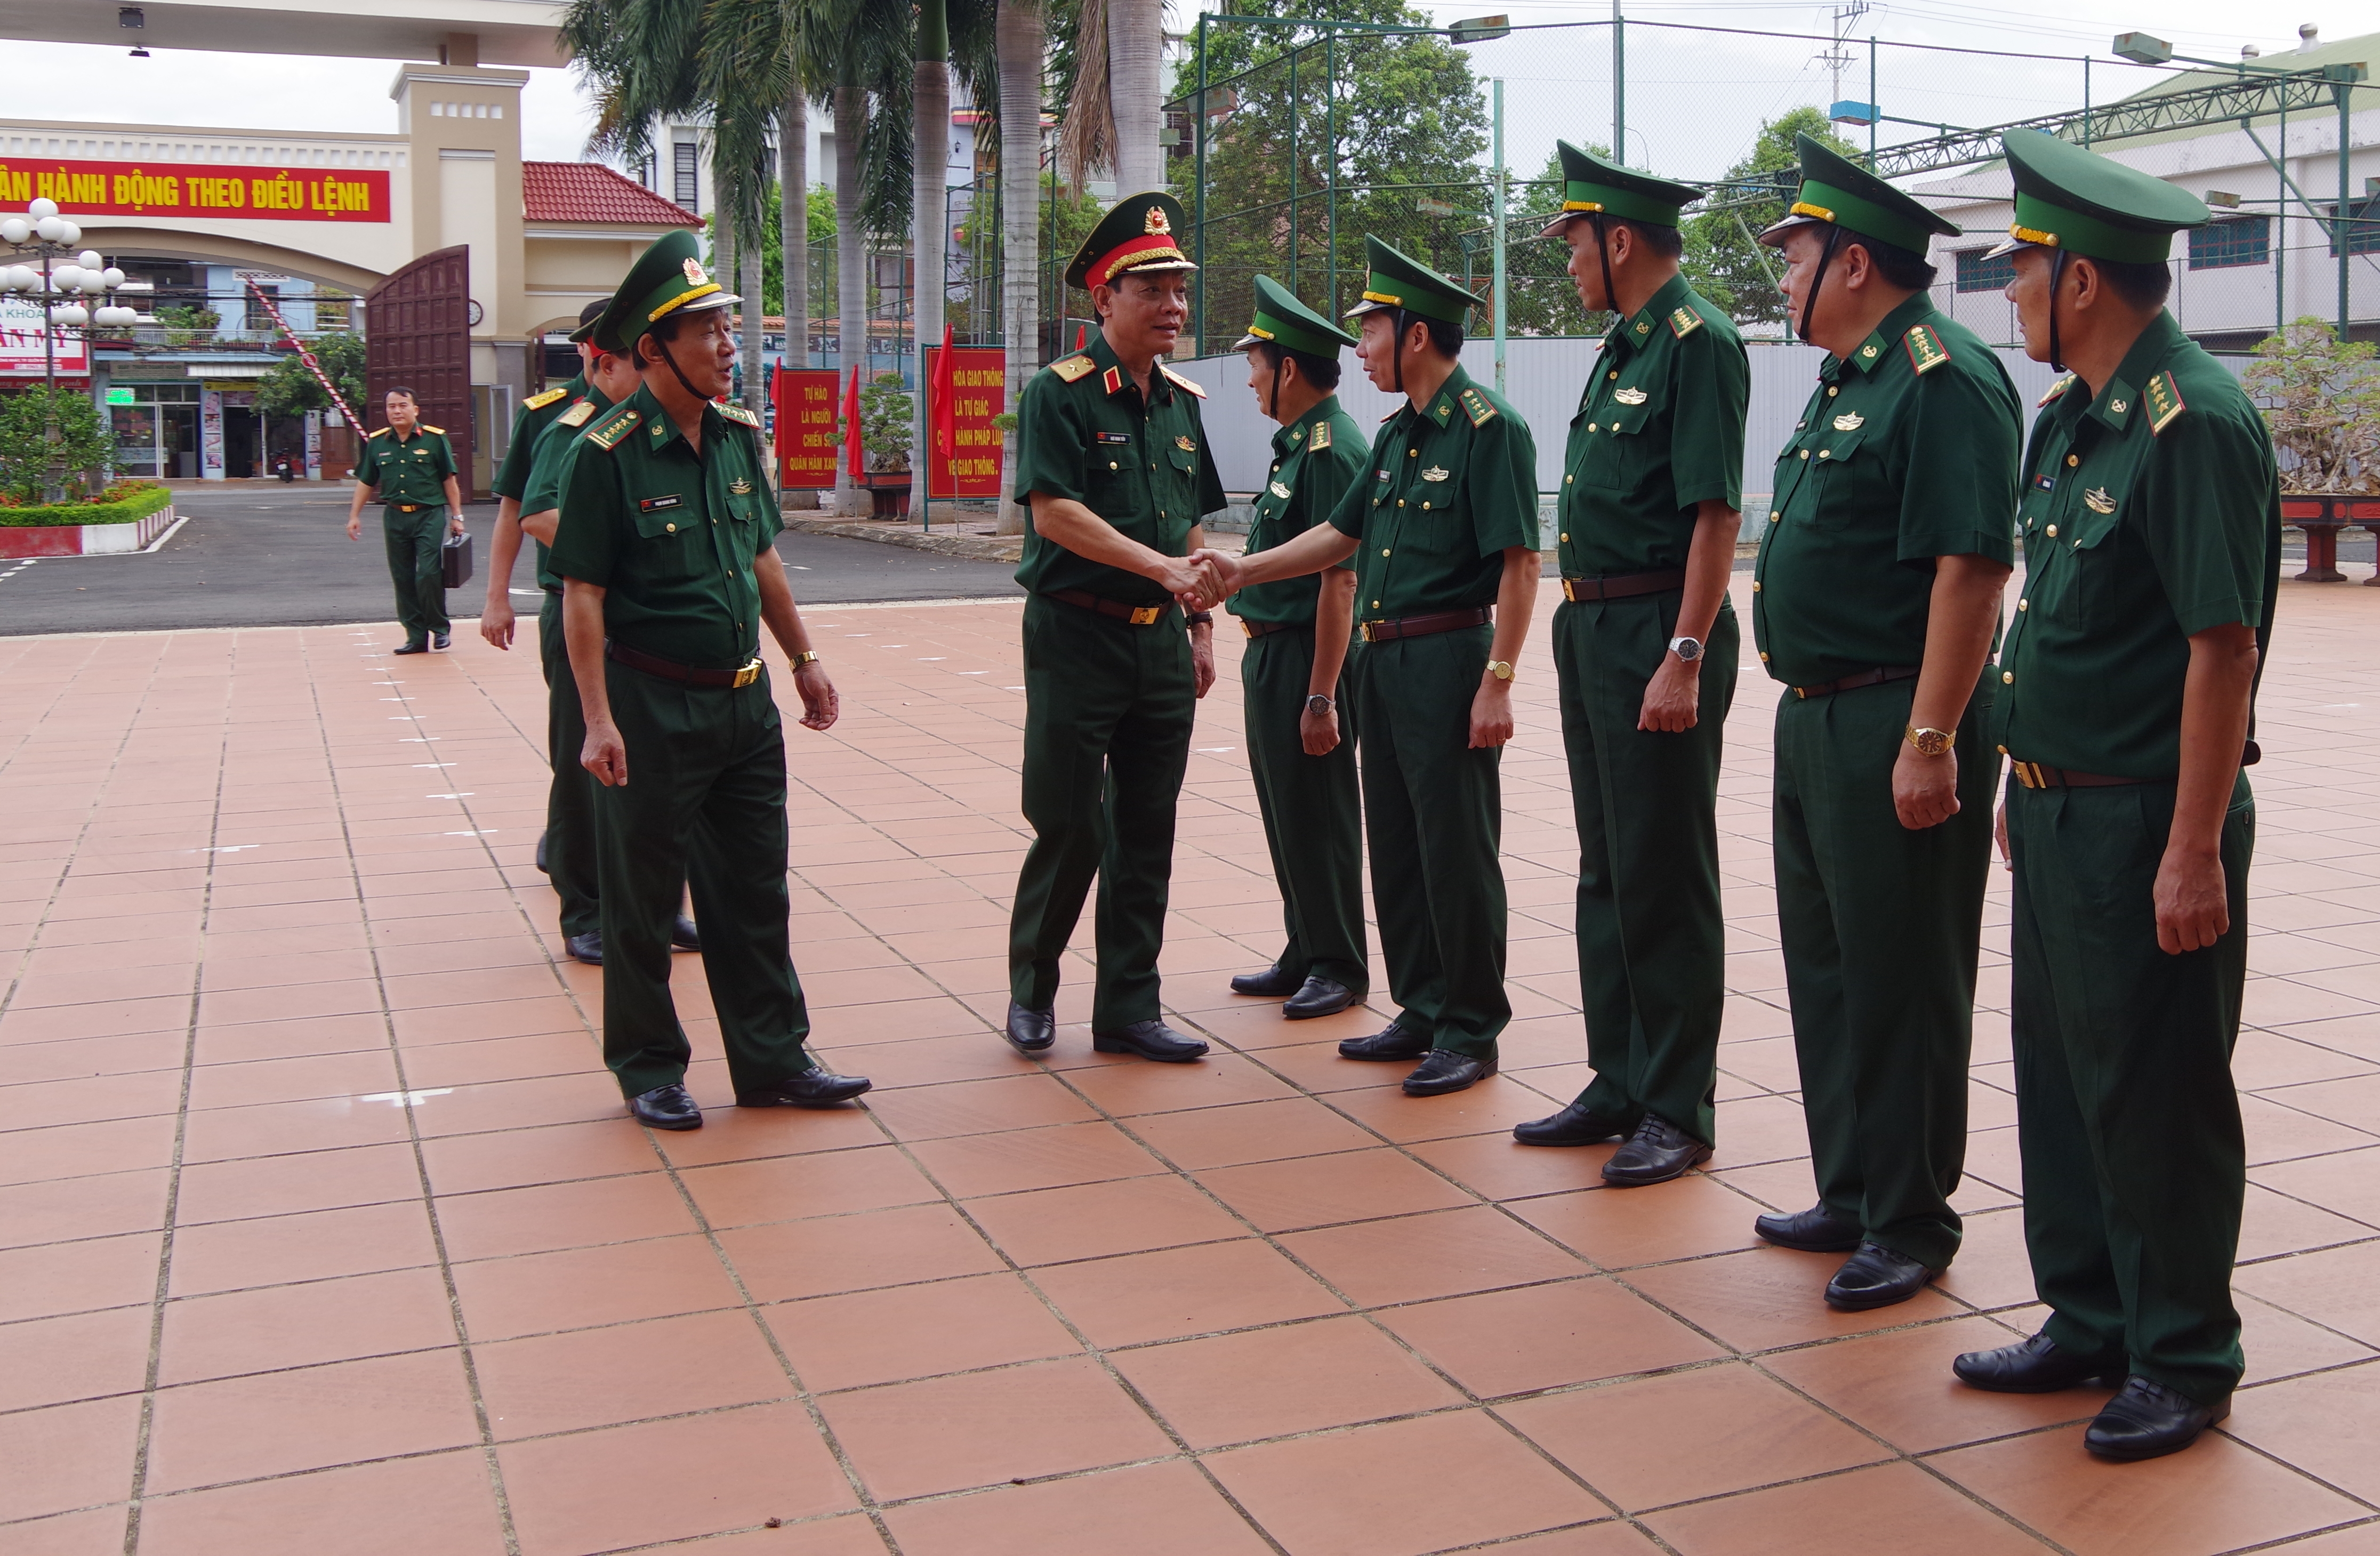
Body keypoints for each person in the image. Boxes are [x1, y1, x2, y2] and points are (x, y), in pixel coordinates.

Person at [1949, 128, 2279, 1463]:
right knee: (2063, 1080)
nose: (2008, 294)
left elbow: (2223, 647)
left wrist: (2191, 846)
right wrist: (2023, 776)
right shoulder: (2070, 420)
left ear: (2079, 280)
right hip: (2062, 806)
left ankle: (2181, 1355)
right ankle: (2086, 1316)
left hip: (2151, 814)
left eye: (2020, 271)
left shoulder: (2188, 420)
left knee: (2154, 1090)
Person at [1748, 135, 2020, 1309]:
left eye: (1795, 254)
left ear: (1853, 261)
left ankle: (1912, 1217)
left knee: (1903, 972)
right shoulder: (1849, 376)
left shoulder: (1943, 376)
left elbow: (1971, 570)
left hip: (1895, 717)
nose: (1783, 276)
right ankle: (1854, 1184)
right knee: (1830, 968)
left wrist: (1931, 737)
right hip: (1816, 714)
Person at [1193, 236, 1540, 1099]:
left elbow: (1519, 563)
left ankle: (1469, 1025)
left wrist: (1497, 678)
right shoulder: (1395, 437)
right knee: (1395, 843)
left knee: (1456, 849)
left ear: (1415, 334)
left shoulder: (1487, 428)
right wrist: (1244, 569)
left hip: (1447, 655)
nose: (1359, 348)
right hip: (1383, 660)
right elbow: (1337, 537)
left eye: (1372, 328)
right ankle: (1420, 1005)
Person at [547, 229, 869, 1131]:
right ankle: (649, 1066)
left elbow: (762, 558)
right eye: (708, 333)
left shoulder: (733, 439)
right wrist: (597, 720)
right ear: (652, 349)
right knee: (645, 898)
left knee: (755, 887)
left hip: (741, 700)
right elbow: (582, 595)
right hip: (648, 704)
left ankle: (772, 1057)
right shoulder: (604, 454)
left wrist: (802, 660)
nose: (730, 348)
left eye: (730, 330)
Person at [1510, 142, 1748, 1186]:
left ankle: (1676, 1101)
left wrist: (1686, 652)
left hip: (1661, 629)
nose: (1566, 264)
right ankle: (1619, 1073)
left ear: (1618, 238)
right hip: (1592, 627)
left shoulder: (1698, 343)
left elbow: (1713, 513)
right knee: (1609, 865)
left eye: (1573, 244)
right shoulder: (1623, 347)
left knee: (1666, 871)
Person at [1000, 190, 1227, 1067]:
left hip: (1159, 645)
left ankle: (1129, 1003)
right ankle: (1033, 983)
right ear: (1104, 297)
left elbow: (1190, 524)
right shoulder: (1057, 395)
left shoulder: (1179, 402)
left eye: (1178, 289)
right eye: (1152, 289)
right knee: (1066, 819)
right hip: (1075, 634)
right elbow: (1054, 513)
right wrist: (1159, 569)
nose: (1173, 306)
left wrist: (1197, 618)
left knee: (1146, 823)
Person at [500, 309, 704, 967]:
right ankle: (584, 911)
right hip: (581, 615)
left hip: (643, 619)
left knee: (659, 770)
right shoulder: (575, 425)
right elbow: (536, 514)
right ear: (606, 363)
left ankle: (661, 905)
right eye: (639, 365)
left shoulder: (658, 425)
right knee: (584, 764)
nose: (649, 377)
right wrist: (626, 558)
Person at [1221, 275, 1370, 1022]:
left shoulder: (1333, 451)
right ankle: (1305, 943)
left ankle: (1339, 961)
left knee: (1320, 812)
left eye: (1256, 362)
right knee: (1286, 810)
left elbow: (1339, 584)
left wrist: (1321, 693)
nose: (1248, 377)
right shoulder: (1299, 446)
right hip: (1271, 649)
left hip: (1308, 656)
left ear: (1288, 368)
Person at [345, 387, 464, 654]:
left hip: (429, 514)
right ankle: (415, 635)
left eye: (402, 405)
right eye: (391, 407)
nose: (397, 411)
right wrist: (355, 515)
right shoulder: (377, 442)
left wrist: (457, 516)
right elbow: (366, 481)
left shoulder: (435, 439)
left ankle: (439, 627)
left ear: (415, 410)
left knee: (428, 573)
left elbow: (449, 479)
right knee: (402, 577)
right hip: (395, 516)